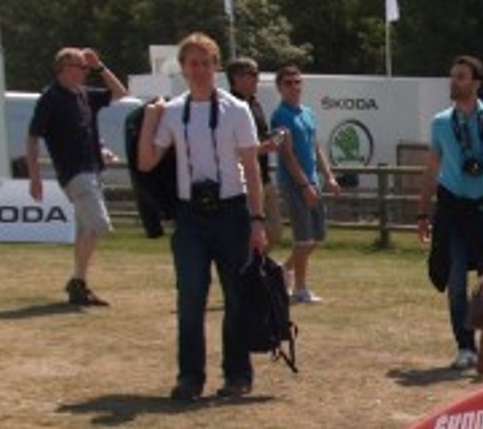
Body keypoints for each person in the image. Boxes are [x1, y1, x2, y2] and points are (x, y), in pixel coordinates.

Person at [137, 31, 267, 401]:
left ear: (216, 66)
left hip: (231, 211)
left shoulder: (236, 110)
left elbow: (252, 167)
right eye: (192, 64)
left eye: (206, 63)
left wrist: (257, 221)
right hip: (191, 214)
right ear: (182, 68)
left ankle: (237, 375)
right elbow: (147, 161)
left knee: (236, 296)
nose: (199, 70)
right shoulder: (174, 111)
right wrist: (151, 119)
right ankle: (190, 377)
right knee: (190, 297)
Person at [416, 55, 483, 371]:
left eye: (460, 76)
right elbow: (432, 168)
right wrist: (422, 212)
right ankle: (465, 346)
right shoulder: (441, 122)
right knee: (456, 281)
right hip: (452, 209)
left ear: (476, 82)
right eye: (452, 75)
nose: (453, 81)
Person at [25, 46, 128, 307]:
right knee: (99, 224)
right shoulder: (51, 98)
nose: (84, 72)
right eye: (80, 67)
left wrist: (100, 66)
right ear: (63, 69)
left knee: (86, 229)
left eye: (84, 67)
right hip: (74, 172)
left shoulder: (83, 95)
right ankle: (77, 282)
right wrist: (35, 176)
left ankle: (78, 283)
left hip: (91, 168)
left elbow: (120, 93)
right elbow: (32, 137)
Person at [269, 66, 338, 304]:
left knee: (318, 236)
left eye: (297, 82)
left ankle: (283, 269)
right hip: (294, 183)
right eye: (288, 83)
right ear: (279, 87)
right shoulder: (280, 116)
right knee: (304, 238)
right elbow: (287, 155)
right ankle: (299, 288)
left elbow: (316, 146)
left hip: (313, 181)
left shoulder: (308, 112)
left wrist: (328, 175)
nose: (294, 87)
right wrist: (304, 185)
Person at [225, 57, 282, 239]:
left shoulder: (255, 104)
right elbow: (229, 148)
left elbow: (259, 136)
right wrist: (262, 148)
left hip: (263, 177)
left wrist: (273, 137)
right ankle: (250, 266)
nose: (257, 79)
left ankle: (257, 266)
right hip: (242, 182)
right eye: (253, 74)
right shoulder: (229, 107)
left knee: (274, 231)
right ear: (236, 77)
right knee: (249, 235)